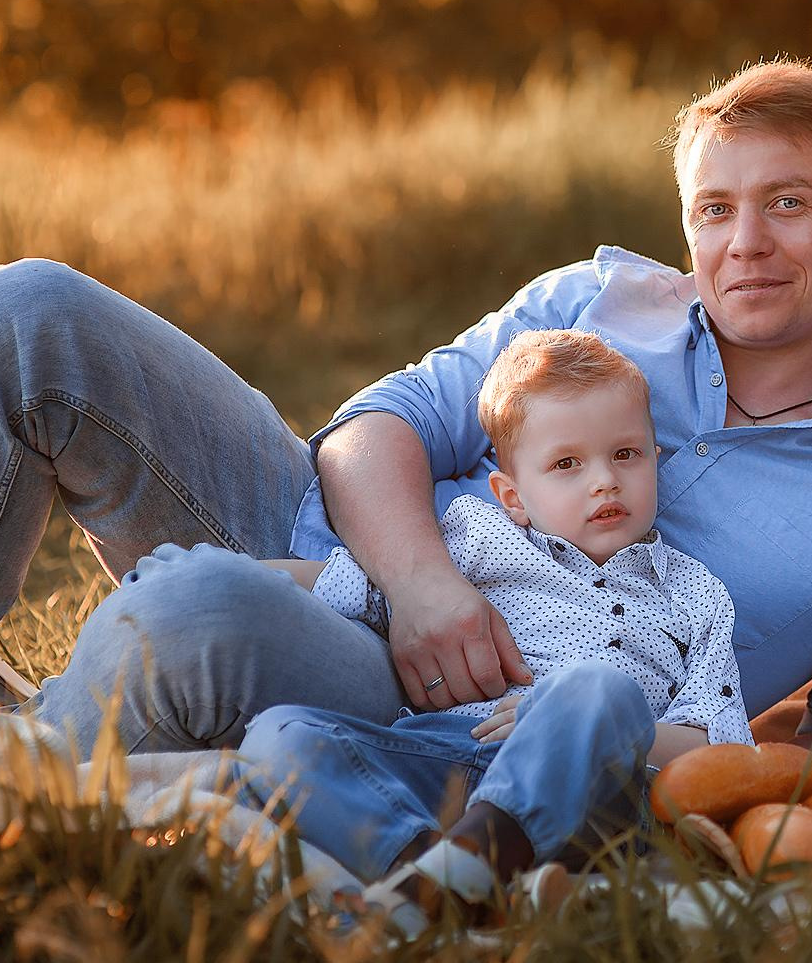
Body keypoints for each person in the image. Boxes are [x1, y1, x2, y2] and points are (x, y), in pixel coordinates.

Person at [0, 61, 812, 768]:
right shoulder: (599, 299)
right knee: (28, 313)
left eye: (786, 205)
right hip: (334, 543)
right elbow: (371, 427)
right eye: (715, 208)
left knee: (201, 606)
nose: (742, 244)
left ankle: (31, 765)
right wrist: (426, 578)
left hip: (445, 711)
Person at [237, 329, 750, 923]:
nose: (604, 480)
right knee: (281, 735)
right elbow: (342, 582)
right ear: (513, 496)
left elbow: (721, 748)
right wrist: (218, 570)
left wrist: (571, 717)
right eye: (566, 464)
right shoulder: (479, 545)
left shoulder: (692, 593)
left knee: (598, 689)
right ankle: (437, 881)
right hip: (452, 757)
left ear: (655, 461)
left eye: (626, 455)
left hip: (596, 792)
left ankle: (465, 875)